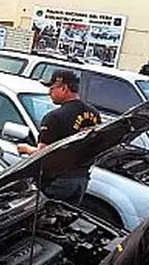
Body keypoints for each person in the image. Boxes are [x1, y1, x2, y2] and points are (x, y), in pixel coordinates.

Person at [17, 69, 101, 204]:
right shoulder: (94, 114)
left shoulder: (54, 117)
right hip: (81, 180)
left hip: (58, 180)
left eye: (52, 88)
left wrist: (25, 149)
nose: (49, 92)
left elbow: (42, 153)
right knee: (64, 220)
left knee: (38, 217)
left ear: (64, 88)